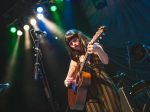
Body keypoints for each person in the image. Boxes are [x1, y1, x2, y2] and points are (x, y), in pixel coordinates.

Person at [64, 29, 122, 112]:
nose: (74, 44)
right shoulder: (74, 60)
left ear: (80, 37)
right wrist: (67, 82)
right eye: (71, 44)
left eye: (75, 40)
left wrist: (98, 49)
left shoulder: (94, 46)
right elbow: (68, 80)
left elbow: (106, 61)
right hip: (87, 94)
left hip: (103, 84)